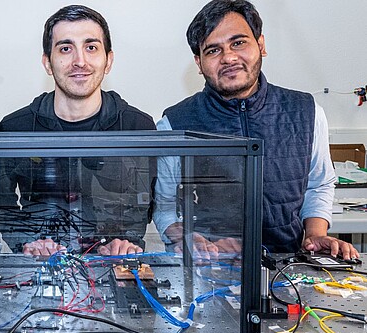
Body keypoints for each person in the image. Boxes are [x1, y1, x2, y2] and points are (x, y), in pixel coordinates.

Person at [154, 0, 359, 260]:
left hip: (288, 263)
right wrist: (186, 237)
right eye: (213, 50)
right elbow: (164, 206)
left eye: (238, 43)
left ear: (261, 45)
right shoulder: (175, 123)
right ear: (199, 61)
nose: (228, 57)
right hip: (211, 268)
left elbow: (319, 184)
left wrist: (315, 235)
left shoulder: (307, 112)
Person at [0, 5, 156, 256]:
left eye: (91, 47)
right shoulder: (15, 128)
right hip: (41, 265)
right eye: (65, 48)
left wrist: (123, 242)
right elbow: (0, 204)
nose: (79, 61)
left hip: (113, 264)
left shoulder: (139, 127)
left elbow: (143, 205)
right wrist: (27, 242)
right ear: (48, 63)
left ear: (108, 60)